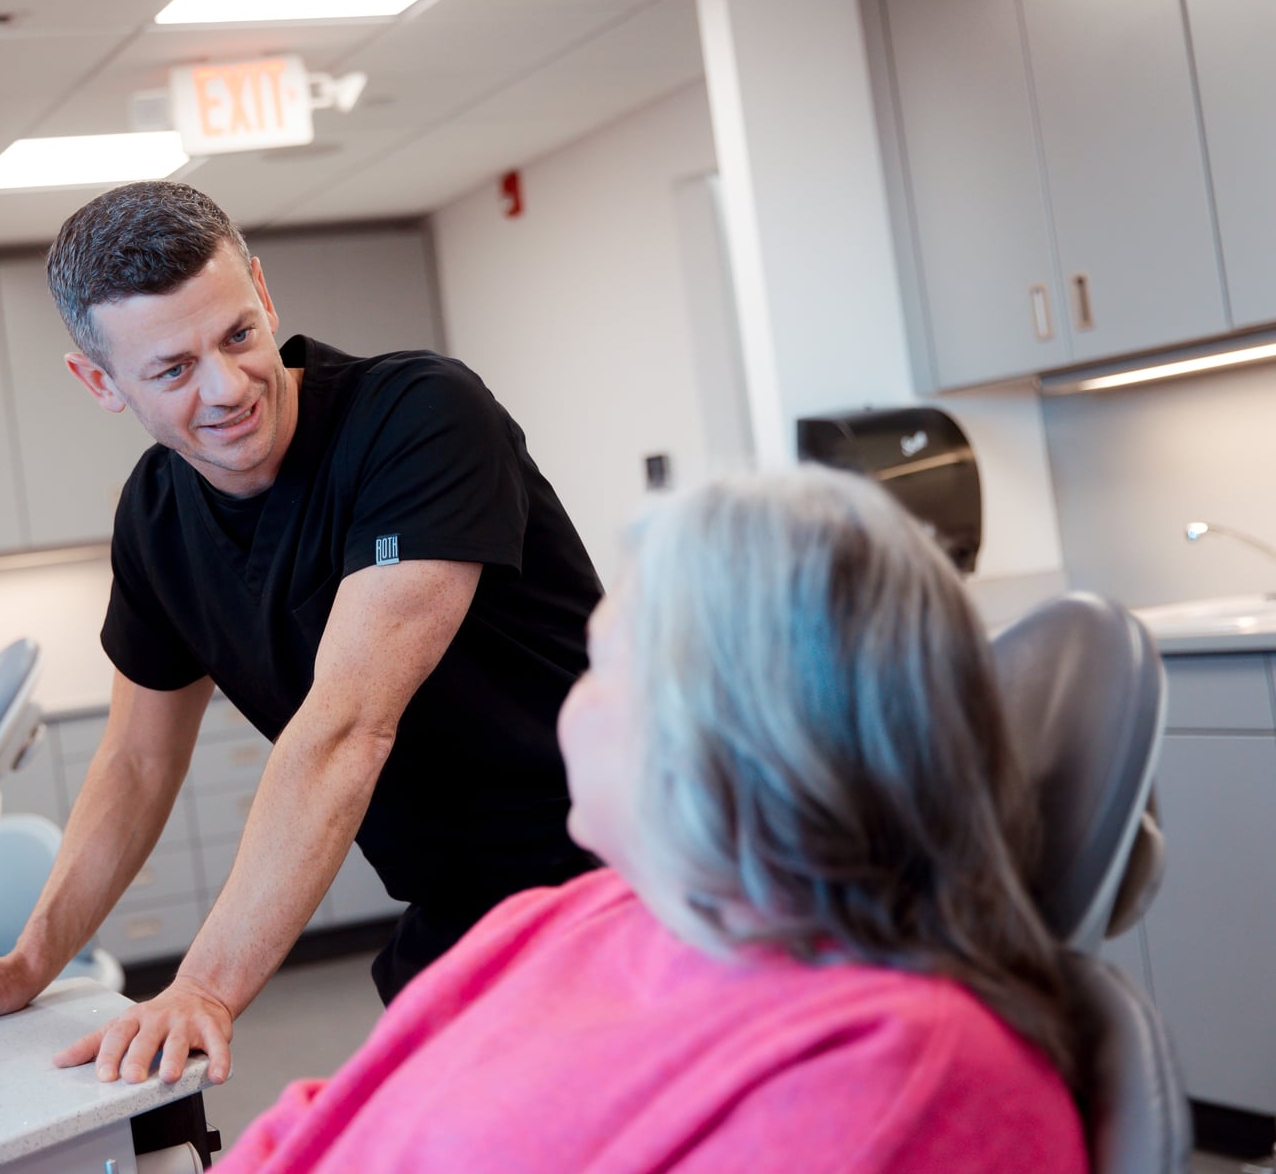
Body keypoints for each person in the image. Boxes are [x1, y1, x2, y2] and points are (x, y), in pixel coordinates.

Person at [0, 181, 602, 1085]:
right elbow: (137, 761)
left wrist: (203, 986)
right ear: (98, 382)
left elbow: (346, 729)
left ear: (262, 290)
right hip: (460, 909)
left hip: (621, 874)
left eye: (238, 335)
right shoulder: (158, 517)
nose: (227, 387)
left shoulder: (419, 417)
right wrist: (27, 964)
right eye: (171, 370)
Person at [214, 467, 1090, 1174]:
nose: (566, 704)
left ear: (730, 733)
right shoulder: (559, 916)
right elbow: (343, 1111)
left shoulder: (891, 1070)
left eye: (598, 663)